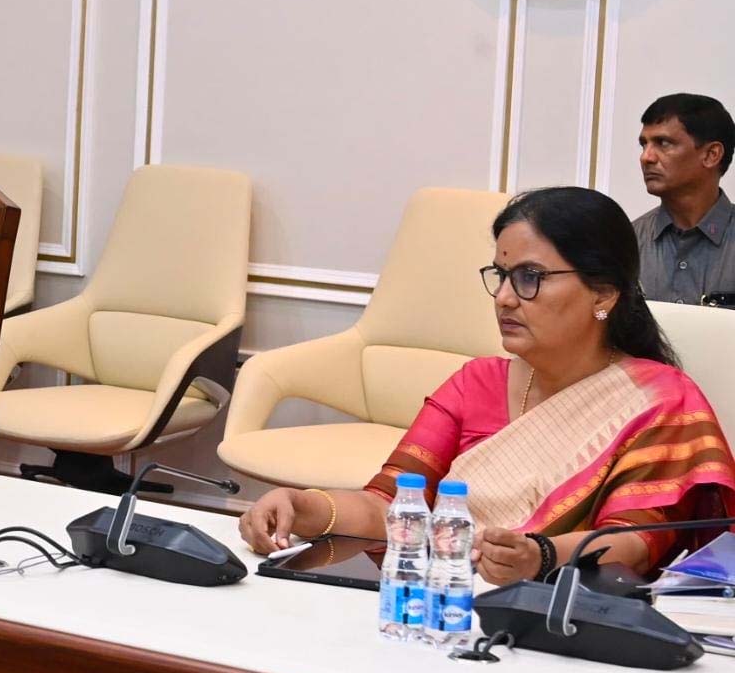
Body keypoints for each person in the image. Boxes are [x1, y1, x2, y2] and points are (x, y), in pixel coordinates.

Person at [240, 187, 735, 583]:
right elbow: (388, 505)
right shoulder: (475, 383)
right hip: (446, 598)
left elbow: (635, 542)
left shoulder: (659, 400)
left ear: (603, 294)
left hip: (563, 617)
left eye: (530, 277)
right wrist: (305, 506)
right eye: (500, 275)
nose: (503, 298)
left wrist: (538, 555)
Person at [634, 93, 735, 304]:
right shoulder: (627, 243)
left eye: (663, 143)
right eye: (644, 144)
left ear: (711, 155)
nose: (646, 157)